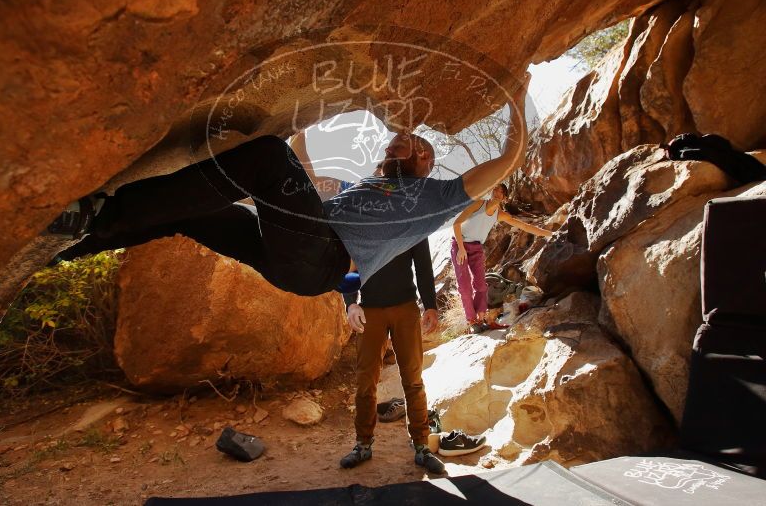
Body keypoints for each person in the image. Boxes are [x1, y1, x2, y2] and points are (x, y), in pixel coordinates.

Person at [47, 72, 532, 297]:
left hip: (320, 260)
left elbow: (507, 159)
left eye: (404, 144)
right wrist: (298, 126)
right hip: (298, 258)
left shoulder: (436, 198)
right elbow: (302, 180)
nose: (392, 144)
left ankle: (100, 214)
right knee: (198, 213)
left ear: (424, 159)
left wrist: (516, 98)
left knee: (264, 158)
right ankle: (71, 246)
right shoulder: (368, 187)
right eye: (391, 141)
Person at [339, 237, 444, 474]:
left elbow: (423, 263)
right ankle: (363, 444)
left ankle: (422, 447)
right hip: (369, 309)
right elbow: (347, 263)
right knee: (366, 381)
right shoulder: (360, 217)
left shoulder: (410, 214)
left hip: (405, 307)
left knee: (413, 379)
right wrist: (350, 304)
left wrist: (430, 304)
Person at [452, 183, 552, 333]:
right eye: (496, 189)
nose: (497, 192)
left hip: (476, 248)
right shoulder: (479, 204)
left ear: (504, 198)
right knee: (465, 287)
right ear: (491, 191)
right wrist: (460, 248)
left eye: (501, 192)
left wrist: (550, 234)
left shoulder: (501, 214)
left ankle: (480, 319)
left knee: (481, 286)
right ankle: (472, 322)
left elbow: (524, 226)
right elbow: (456, 223)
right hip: (459, 245)